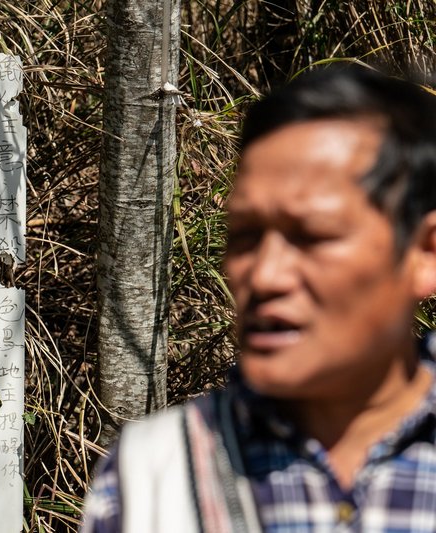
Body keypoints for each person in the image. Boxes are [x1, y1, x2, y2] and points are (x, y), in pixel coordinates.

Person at [81, 65, 436, 532]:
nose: (264, 276)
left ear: (424, 254)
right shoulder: (150, 476)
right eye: (246, 237)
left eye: (311, 236)